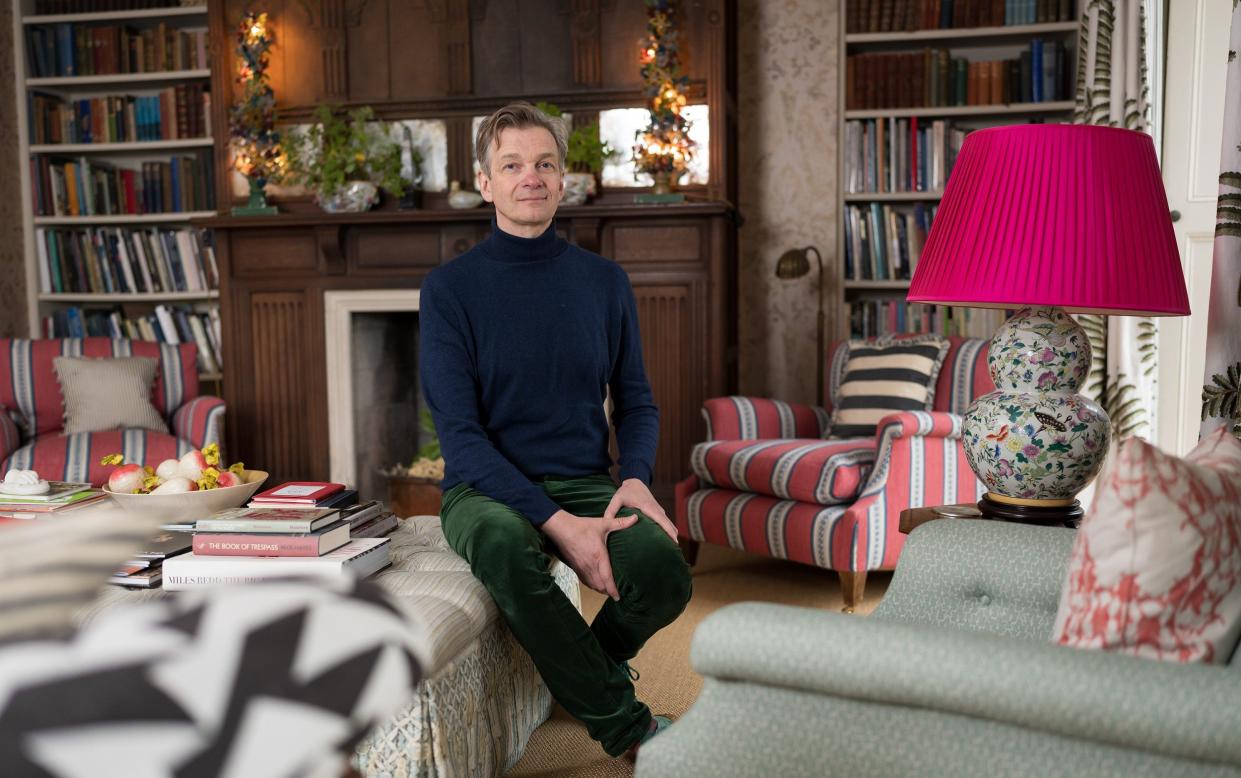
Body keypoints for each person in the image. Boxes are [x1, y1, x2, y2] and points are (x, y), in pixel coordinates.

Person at [418, 102, 693, 759]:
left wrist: (633, 479)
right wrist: (559, 525)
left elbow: (635, 402)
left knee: (663, 570)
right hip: (482, 490)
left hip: (584, 479)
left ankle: (582, 675)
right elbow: (459, 439)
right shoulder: (449, 290)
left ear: (563, 177)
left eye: (544, 163)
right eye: (511, 165)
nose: (530, 177)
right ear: (485, 183)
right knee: (508, 548)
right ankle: (626, 729)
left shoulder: (602, 282)